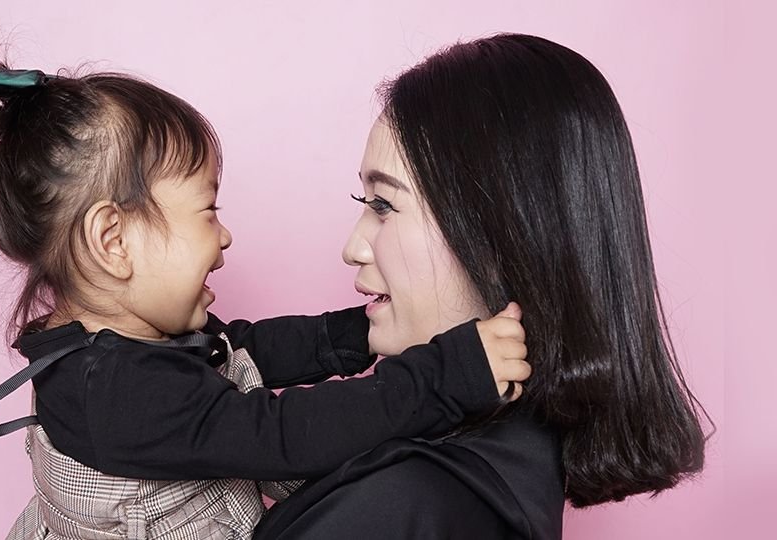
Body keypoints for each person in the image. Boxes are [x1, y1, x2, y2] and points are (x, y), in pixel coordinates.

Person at [0, 41, 533, 539]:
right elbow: (283, 436)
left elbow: (244, 349)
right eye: (207, 209)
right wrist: (447, 374)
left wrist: (356, 333)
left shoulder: (118, 338)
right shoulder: (117, 391)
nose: (224, 236)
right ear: (114, 240)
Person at [255, 33, 708, 540]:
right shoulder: (490, 481)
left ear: (499, 234)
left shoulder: (401, 505)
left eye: (383, 204)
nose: (354, 247)